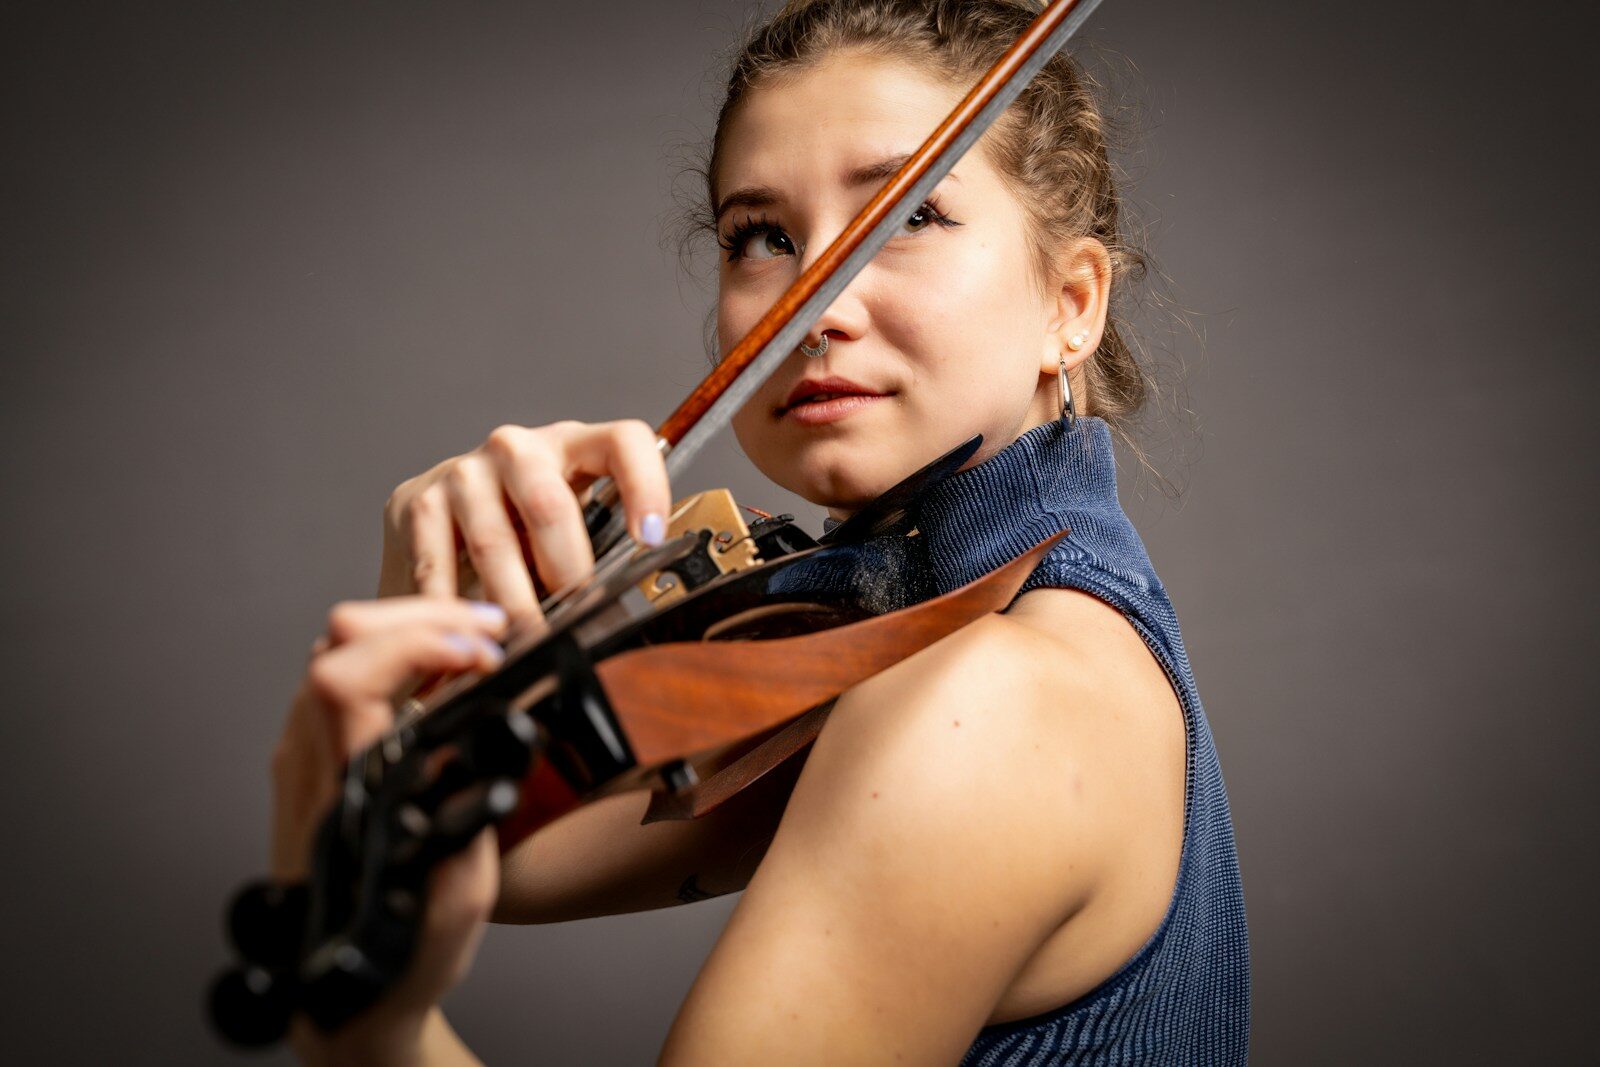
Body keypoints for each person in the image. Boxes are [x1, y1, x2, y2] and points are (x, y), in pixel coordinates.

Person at [268, 1, 1250, 1062]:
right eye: (762, 238)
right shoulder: (913, 622)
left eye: (909, 215)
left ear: (1071, 302)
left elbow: (409, 908)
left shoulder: (990, 698)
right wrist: (437, 617)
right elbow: (494, 860)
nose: (814, 303)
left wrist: (371, 1032)